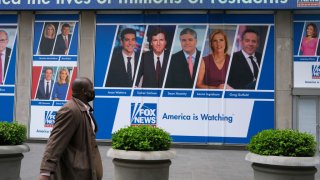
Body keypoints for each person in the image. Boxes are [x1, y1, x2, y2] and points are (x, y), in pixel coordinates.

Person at [38, 77, 103, 180]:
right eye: (91, 87)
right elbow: (55, 142)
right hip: (75, 173)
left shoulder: (84, 109)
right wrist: (45, 172)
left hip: (86, 171)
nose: (93, 91)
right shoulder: (70, 110)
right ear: (83, 91)